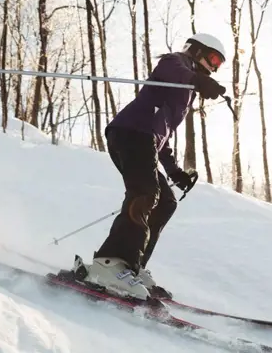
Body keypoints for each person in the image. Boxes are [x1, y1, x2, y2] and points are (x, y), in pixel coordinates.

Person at [68, 33, 227, 301]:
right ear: (196, 50)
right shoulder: (176, 63)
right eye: (213, 58)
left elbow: (160, 138)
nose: (214, 66)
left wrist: (174, 171)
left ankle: (131, 265)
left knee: (166, 201)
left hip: (145, 140)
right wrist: (198, 80)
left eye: (219, 64)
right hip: (130, 133)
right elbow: (169, 69)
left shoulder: (185, 94)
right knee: (145, 193)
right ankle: (110, 263)